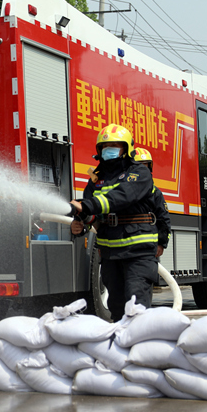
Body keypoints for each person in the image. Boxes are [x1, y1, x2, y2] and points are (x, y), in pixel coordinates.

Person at [69, 124, 160, 321]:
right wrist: (80, 223)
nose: (108, 150)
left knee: (136, 308)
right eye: (104, 146)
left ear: (126, 148)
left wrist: (86, 206)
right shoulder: (97, 179)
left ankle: (139, 341)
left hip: (138, 254)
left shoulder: (139, 173)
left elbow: (120, 197)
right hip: (110, 255)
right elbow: (92, 214)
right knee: (117, 310)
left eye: (114, 146)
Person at [133, 148, 171, 259]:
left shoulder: (155, 193)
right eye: (139, 165)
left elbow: (163, 219)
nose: (142, 169)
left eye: (145, 165)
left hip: (149, 249)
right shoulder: (123, 192)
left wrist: (161, 243)